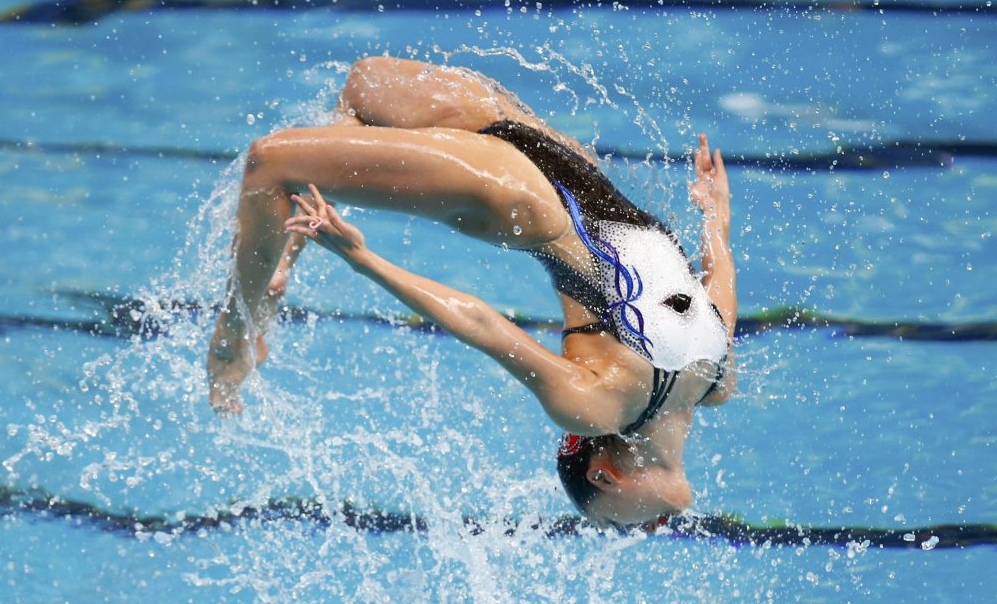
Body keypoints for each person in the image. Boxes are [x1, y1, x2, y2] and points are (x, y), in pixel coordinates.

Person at [207, 57, 737, 528]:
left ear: (601, 478)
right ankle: (272, 278)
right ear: (606, 477)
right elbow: (717, 292)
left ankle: (238, 328)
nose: (648, 530)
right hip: (559, 161)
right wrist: (716, 217)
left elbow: (482, 325)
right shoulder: (713, 382)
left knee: (275, 158)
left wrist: (366, 262)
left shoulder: (594, 407)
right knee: (361, 87)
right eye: (626, 528)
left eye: (622, 526)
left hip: (519, 198)